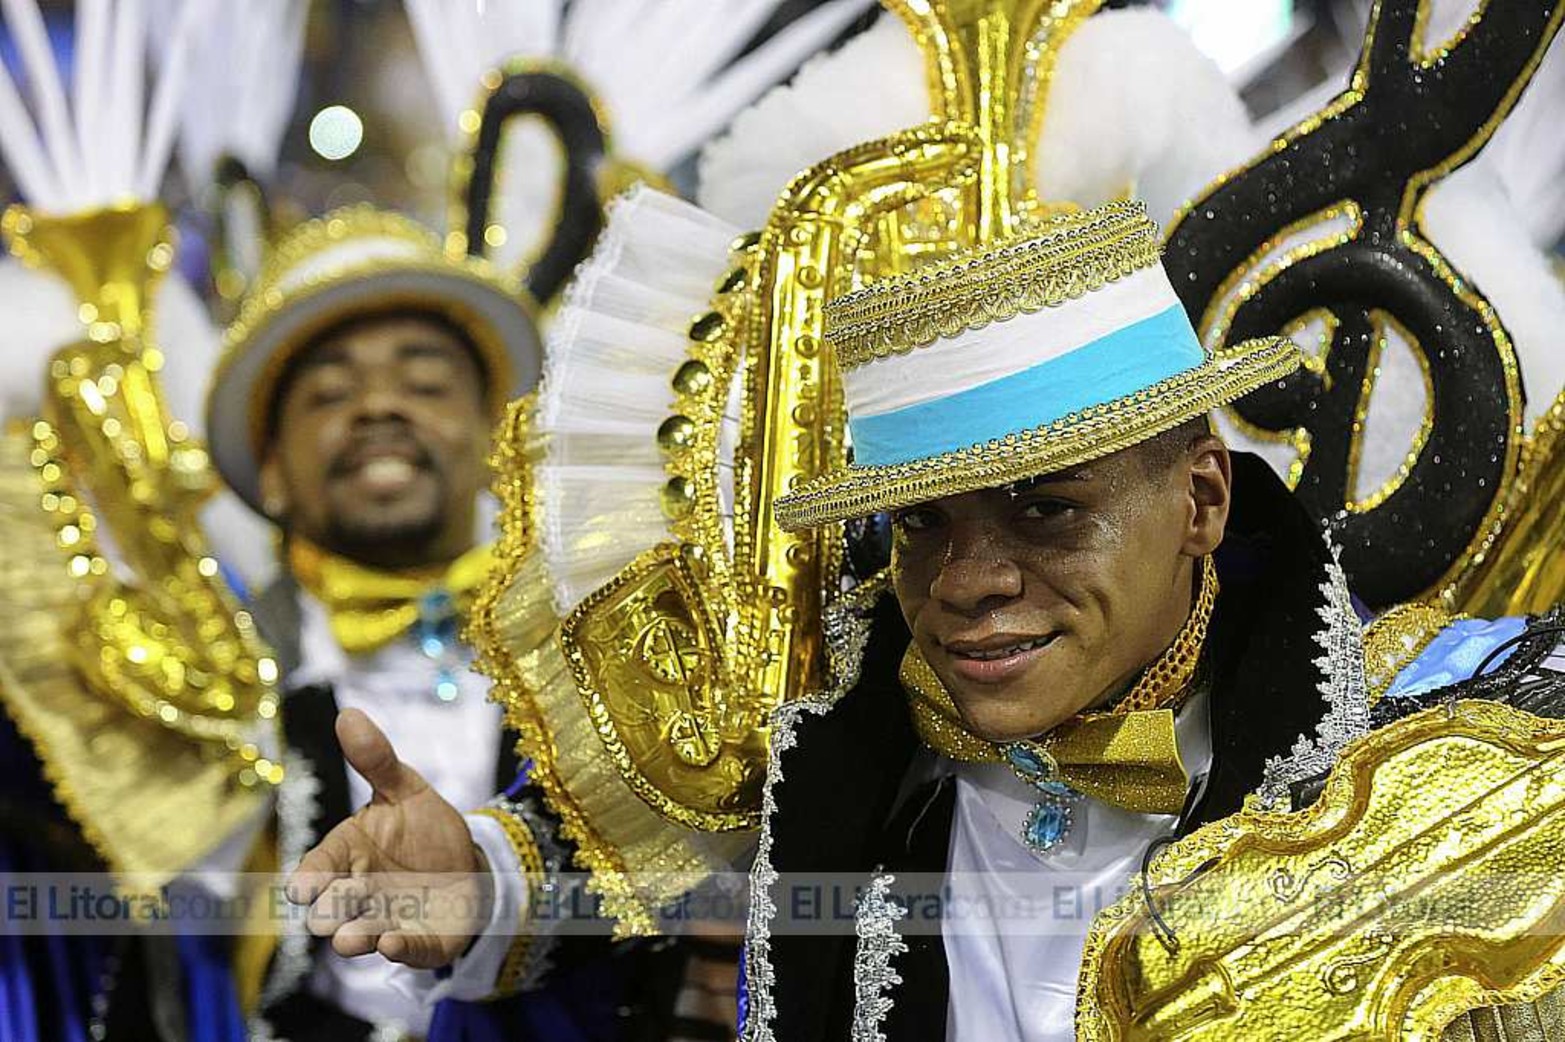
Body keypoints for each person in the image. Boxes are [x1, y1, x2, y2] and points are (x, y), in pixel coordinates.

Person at [285, 199, 1565, 1040]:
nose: (965, 581)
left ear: (1199, 497)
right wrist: (479, 882)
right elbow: (606, 870)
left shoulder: (1417, 754)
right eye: (922, 525)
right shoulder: (833, 722)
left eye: (1045, 512)